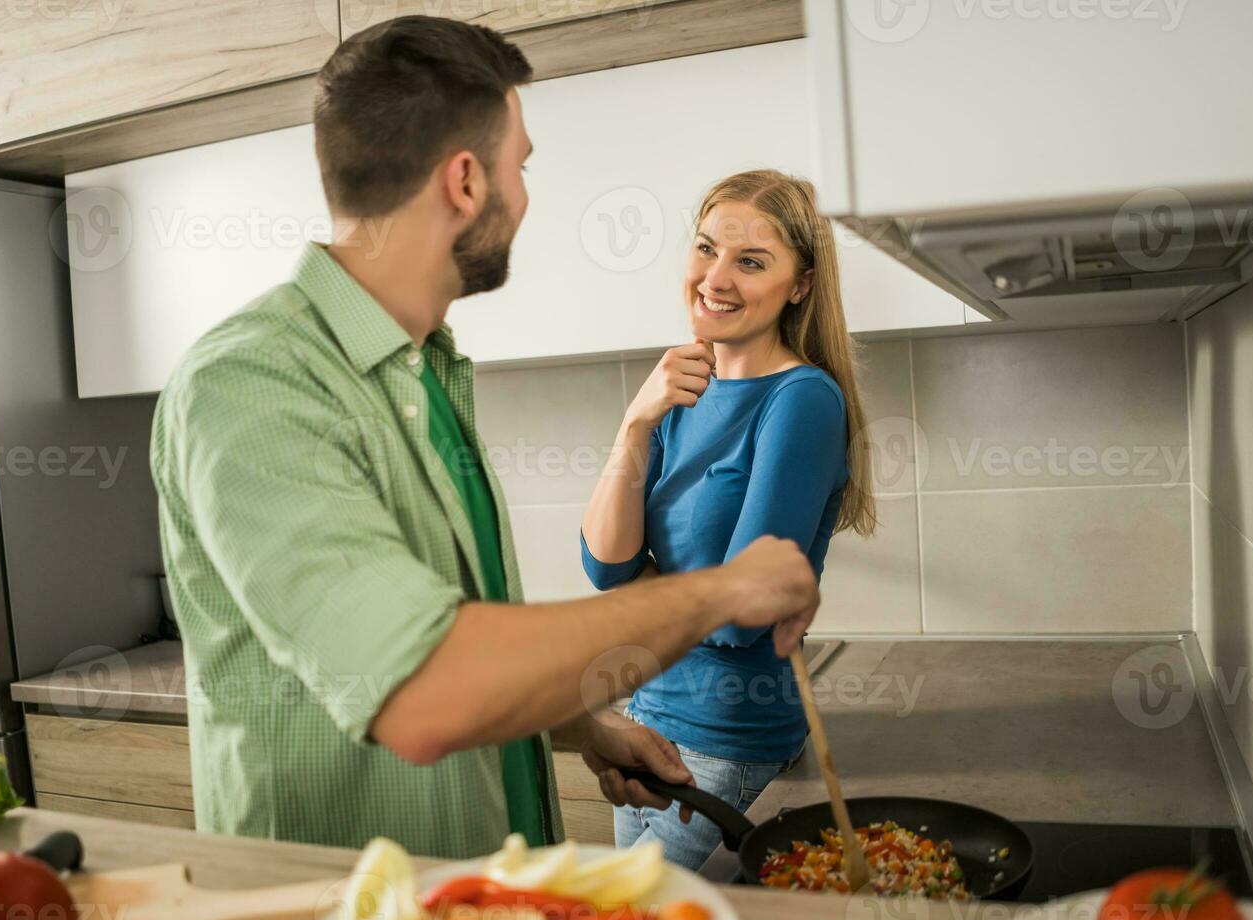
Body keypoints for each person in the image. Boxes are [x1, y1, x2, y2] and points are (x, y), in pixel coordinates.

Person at [149, 18, 820, 858]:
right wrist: (724, 589)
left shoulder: (423, 374)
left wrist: (583, 725)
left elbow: (446, 628)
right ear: (466, 181)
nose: (527, 194)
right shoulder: (255, 383)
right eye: (521, 166)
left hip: (468, 900)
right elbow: (426, 690)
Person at [580, 169, 876, 869]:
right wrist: (634, 425)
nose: (716, 277)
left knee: (642, 913)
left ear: (799, 284)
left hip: (730, 731)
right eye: (706, 248)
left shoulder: (802, 400)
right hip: (646, 717)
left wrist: (648, 588)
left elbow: (741, 613)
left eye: (750, 261)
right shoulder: (680, 384)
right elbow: (605, 565)